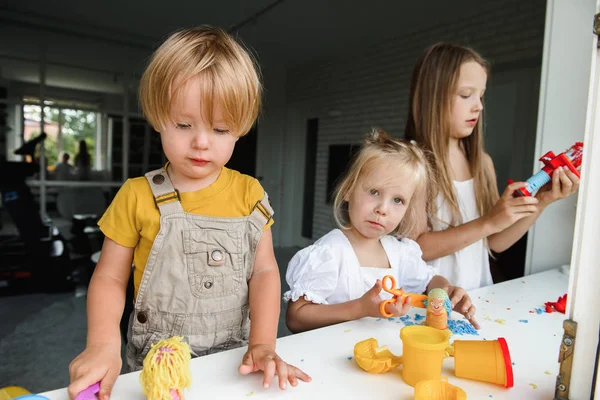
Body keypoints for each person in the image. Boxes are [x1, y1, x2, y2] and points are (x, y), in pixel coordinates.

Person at [67, 26, 310, 400]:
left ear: (240, 128)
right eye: (184, 124)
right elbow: (110, 278)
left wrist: (263, 343)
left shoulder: (249, 193)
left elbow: (263, 271)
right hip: (156, 368)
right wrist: (102, 343)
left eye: (220, 128)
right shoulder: (137, 195)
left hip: (237, 362)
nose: (200, 141)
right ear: (157, 115)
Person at [405, 43, 580, 290]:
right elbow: (417, 248)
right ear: (431, 96)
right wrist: (489, 221)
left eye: (481, 95)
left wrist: (542, 200)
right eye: (466, 95)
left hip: (476, 301)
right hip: (425, 306)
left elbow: (495, 242)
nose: (479, 106)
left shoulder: (482, 163)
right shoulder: (411, 161)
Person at [284, 129, 479, 334]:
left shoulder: (400, 252)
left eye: (398, 200)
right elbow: (296, 318)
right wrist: (360, 308)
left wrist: (446, 290)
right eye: (374, 192)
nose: (382, 209)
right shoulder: (329, 253)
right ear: (349, 189)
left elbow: (429, 282)